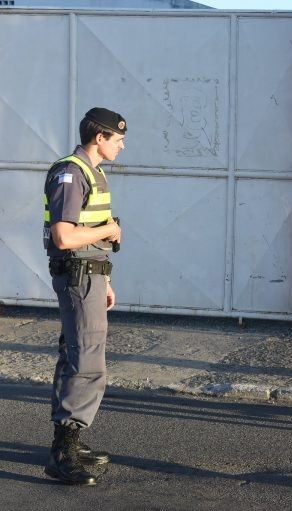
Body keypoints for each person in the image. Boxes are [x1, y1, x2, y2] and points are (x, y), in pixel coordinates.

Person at [43, 107, 125, 485]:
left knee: (74, 354)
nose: (121, 146)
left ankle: (68, 440)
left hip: (89, 278)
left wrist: (105, 279)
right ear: (99, 138)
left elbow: (86, 234)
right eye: (118, 139)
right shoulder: (71, 173)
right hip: (78, 278)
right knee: (87, 361)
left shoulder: (92, 172)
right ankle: (64, 452)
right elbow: (64, 237)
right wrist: (107, 229)